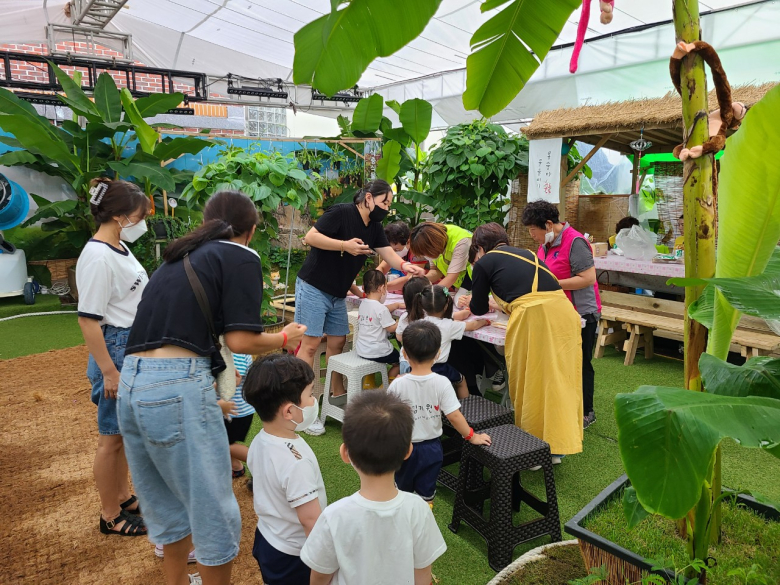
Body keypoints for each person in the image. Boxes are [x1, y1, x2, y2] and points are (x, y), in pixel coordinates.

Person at [119, 190, 307, 585]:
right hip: (176, 382)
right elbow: (240, 341)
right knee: (213, 514)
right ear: (250, 231)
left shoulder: (175, 258)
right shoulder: (240, 255)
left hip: (133, 384)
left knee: (169, 506)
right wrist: (283, 336)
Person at [295, 180, 425, 435]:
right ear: (368, 198)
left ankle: (336, 393)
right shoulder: (341, 212)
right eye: (384, 202)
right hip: (313, 286)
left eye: (389, 204)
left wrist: (405, 265)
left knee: (338, 343)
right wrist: (345, 245)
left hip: (337, 293)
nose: (387, 208)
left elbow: (387, 253)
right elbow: (310, 237)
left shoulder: (374, 226)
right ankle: (303, 405)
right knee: (310, 346)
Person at [301, 391, 447, 585]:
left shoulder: (333, 516)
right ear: (407, 451)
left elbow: (320, 575)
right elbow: (422, 572)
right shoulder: (418, 509)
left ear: (345, 453)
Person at [469, 222, 583, 461]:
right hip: (564, 312)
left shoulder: (484, 263)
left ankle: (532, 450)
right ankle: (558, 446)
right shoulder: (527, 254)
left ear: (480, 247)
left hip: (536, 318)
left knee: (532, 381)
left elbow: (478, 307)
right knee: (560, 380)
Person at [76, 178, 149, 538]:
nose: (142, 222)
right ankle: (109, 515)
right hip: (115, 348)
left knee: (120, 434)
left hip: (128, 346)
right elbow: (88, 319)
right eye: (138, 216)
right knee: (110, 436)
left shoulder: (117, 246)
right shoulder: (98, 256)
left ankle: (121, 496)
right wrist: (109, 371)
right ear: (120, 216)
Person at [244, 353, 326, 585]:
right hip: (295, 554)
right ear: (289, 411)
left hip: (267, 538)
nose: (313, 401)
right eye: (310, 394)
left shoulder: (261, 440)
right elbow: (311, 521)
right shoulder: (295, 462)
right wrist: (325, 564)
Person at [389, 321, 491, 506]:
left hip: (404, 448)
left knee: (401, 493)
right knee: (426, 494)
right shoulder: (442, 383)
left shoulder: (397, 384)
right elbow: (454, 416)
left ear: (404, 354)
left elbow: (389, 418)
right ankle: (424, 520)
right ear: (437, 354)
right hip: (432, 449)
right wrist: (472, 436)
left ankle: (403, 524)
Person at [522, 201, 601, 430]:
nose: (532, 235)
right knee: (561, 363)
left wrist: (554, 283)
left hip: (582, 313)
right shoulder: (545, 244)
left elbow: (588, 278)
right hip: (557, 312)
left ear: (548, 225)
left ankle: (587, 411)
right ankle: (565, 407)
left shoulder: (575, 241)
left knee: (581, 363)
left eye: (532, 230)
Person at [404, 283, 490, 399]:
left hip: (415, 367)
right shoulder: (449, 325)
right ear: (446, 306)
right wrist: (484, 321)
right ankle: (467, 406)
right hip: (440, 369)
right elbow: (473, 326)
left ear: (422, 305)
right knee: (462, 380)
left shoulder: (417, 322)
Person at [355, 270, 404, 379]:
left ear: (363, 287)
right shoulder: (380, 309)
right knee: (400, 361)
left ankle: (369, 381)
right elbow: (391, 329)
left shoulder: (363, 304)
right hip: (378, 351)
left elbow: (378, 312)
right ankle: (387, 384)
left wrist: (395, 305)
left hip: (362, 350)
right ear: (381, 288)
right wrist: (400, 321)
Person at [409, 222, 473, 290]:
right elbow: (436, 271)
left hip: (474, 282)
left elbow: (451, 277)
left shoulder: (461, 242)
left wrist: (431, 294)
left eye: (425, 253)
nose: (425, 256)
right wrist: (421, 279)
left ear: (433, 246)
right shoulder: (431, 241)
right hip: (460, 286)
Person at [375, 221, 420, 292]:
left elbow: (411, 278)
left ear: (408, 242)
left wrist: (382, 287)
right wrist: (373, 280)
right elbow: (382, 268)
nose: (394, 253)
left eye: (397, 249)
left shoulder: (417, 251)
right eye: (391, 250)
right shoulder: (394, 253)